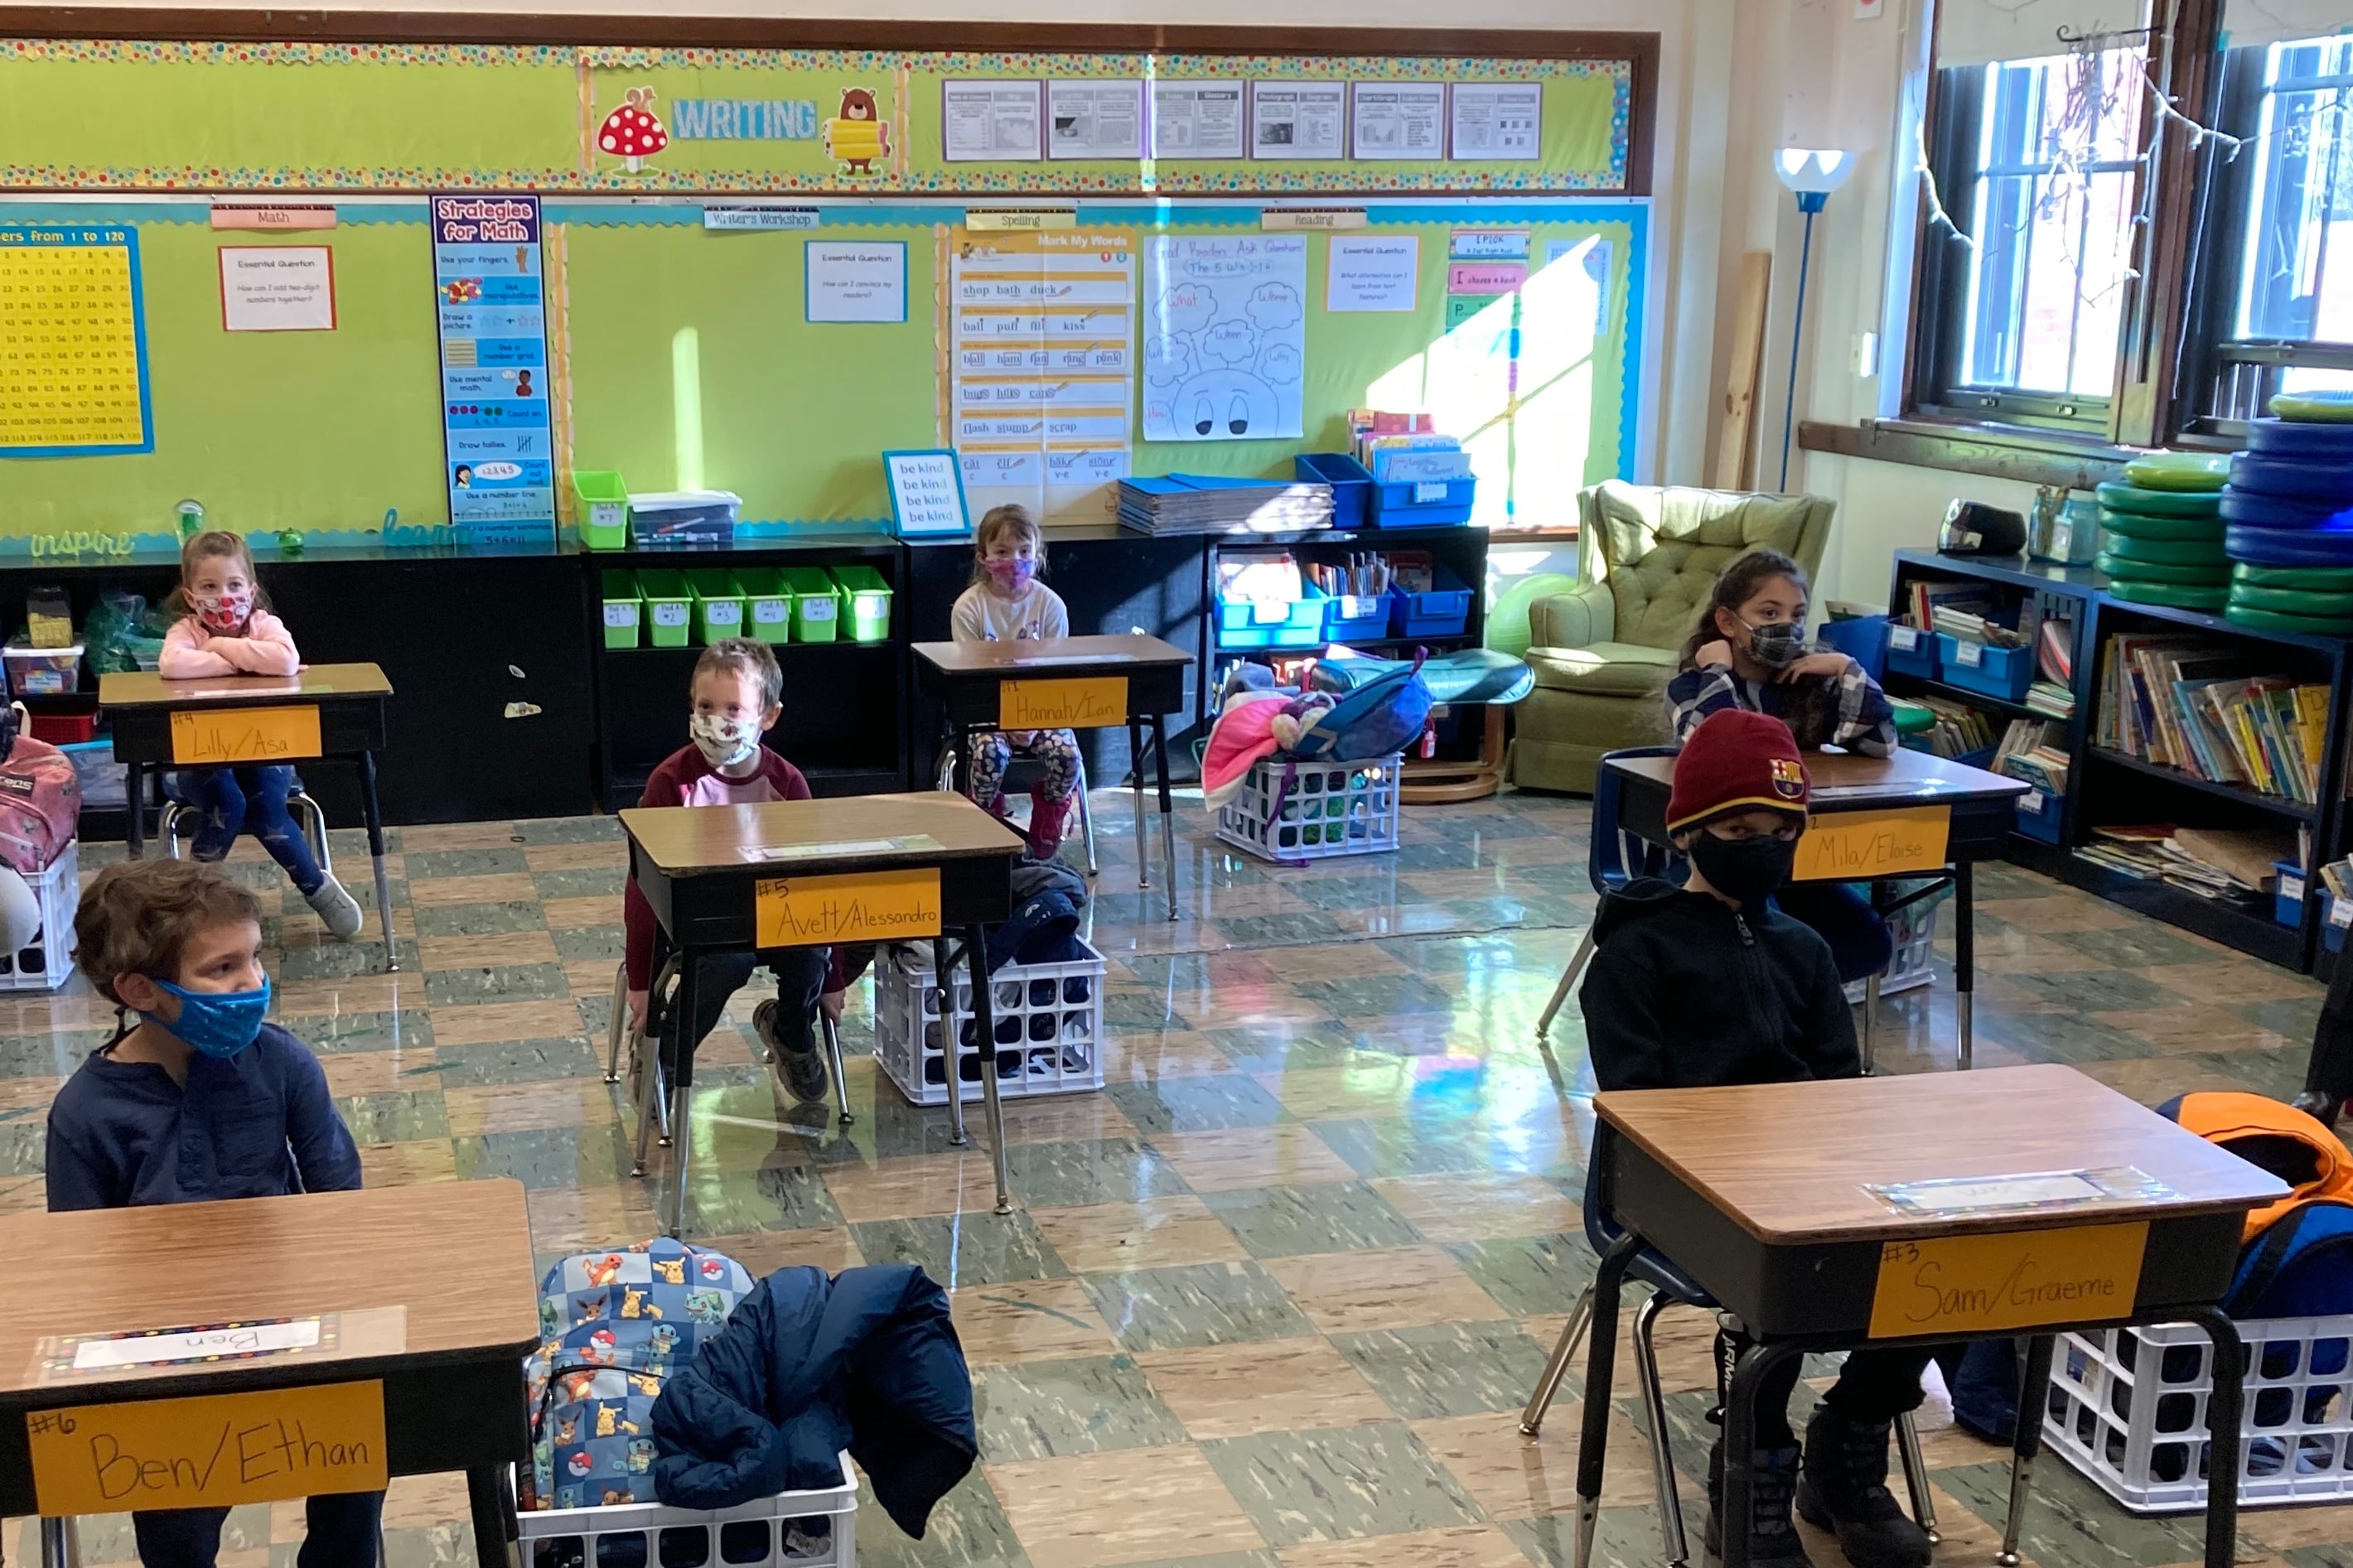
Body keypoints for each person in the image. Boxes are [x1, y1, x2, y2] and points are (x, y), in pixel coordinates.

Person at [1582, 710, 1935, 1568]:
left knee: (1940, 1252)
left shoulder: (1803, 947)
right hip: (1679, 1184)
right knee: (1772, 1274)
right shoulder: (1635, 955)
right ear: (1690, 832)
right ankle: (1752, 1471)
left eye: (1780, 831)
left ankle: (1847, 1441)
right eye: (1739, 830)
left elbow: (1835, 1089)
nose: (1761, 846)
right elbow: (1637, 1105)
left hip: (1802, 1170)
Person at [49, 858, 379, 1567]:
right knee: (176, 1536)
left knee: (357, 1484)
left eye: (254, 957)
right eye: (222, 967)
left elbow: (342, 1210)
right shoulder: (84, 1114)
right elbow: (77, 1275)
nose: (253, 982)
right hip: (167, 1358)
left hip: (297, 1329)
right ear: (140, 989)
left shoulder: (284, 1062)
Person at [1664, 548, 1896, 984]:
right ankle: (1758, 1010)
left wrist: (1849, 670)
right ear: (1729, 623)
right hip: (1717, 860)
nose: (1785, 626)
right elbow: (1714, 742)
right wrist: (1718, 670)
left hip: (1792, 858)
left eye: (1797, 614)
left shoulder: (1806, 685)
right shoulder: (1691, 686)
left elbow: (1881, 744)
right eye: (1769, 612)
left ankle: (1787, 1007)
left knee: (1868, 942)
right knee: (1764, 940)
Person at [623, 638, 831, 1107]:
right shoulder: (671, 783)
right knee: (724, 964)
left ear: (768, 716)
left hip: (781, 916)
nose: (717, 721)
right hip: (702, 924)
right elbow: (643, 888)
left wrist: (832, 982)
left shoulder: (786, 783)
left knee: (810, 957)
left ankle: (791, 1034)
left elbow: (819, 882)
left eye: (734, 709)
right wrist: (642, 978)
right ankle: (665, 1055)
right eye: (705, 706)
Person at [158, 530, 364, 939]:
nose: (224, 596)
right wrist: (244, 661)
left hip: (267, 748)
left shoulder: (263, 624)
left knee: (267, 807)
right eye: (210, 587)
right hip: (203, 756)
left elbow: (287, 661)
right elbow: (173, 665)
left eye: (234, 586)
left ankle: (317, 888)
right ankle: (186, 904)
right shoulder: (186, 630)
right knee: (228, 801)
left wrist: (218, 649)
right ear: (190, 596)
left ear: (251, 590)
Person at [949, 503, 1080, 861]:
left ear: (1038, 556)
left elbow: (1058, 675)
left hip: (1044, 710)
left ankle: (1048, 817)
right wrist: (1007, 721)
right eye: (1003, 552)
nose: (1015, 561)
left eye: (1024, 552)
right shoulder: (969, 607)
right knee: (989, 754)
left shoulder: (1050, 606)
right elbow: (971, 676)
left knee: (1067, 757)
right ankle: (988, 817)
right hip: (988, 711)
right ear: (984, 558)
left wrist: (1033, 718)